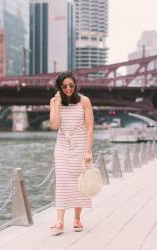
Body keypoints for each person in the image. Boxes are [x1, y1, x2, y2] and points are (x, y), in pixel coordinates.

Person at [49, 71, 94, 235]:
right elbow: (54, 125)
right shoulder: (55, 101)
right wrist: (56, 102)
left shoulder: (85, 101)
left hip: (80, 145)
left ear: (75, 85)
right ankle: (60, 221)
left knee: (79, 183)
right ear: (59, 87)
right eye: (64, 86)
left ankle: (77, 219)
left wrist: (88, 151)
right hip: (62, 145)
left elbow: (89, 128)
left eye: (71, 85)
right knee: (61, 182)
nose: (68, 89)